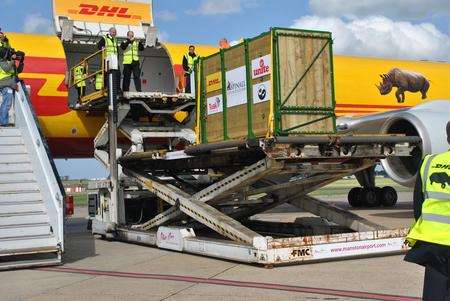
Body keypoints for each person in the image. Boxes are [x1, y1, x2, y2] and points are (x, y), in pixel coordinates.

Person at [405, 121, 450, 300]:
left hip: (433, 240)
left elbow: (418, 205)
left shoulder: (430, 162)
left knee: (435, 293)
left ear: (447, 138)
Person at [0, 51, 23, 126]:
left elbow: (17, 72)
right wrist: (13, 60)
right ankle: (3, 123)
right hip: (5, 86)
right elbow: (6, 69)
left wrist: (21, 62)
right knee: (6, 104)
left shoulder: (9, 62)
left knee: (6, 104)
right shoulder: (2, 62)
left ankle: (3, 121)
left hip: (8, 85)